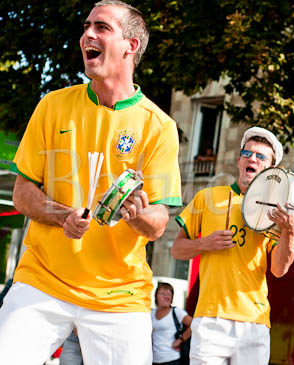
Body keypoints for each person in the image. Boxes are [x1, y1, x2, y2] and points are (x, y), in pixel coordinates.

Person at [0, 1, 182, 363]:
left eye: (101, 27)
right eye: (86, 27)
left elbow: (159, 222)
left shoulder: (159, 126)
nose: (87, 34)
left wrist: (136, 214)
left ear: (130, 46)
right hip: (42, 279)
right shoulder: (53, 105)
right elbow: (22, 193)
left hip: (119, 295)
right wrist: (60, 215)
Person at [171, 126, 294, 364]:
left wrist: (289, 233)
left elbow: (279, 270)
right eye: (247, 153)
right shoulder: (206, 197)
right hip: (210, 317)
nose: (253, 159)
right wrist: (205, 243)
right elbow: (176, 250)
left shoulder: (276, 212)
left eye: (261, 157)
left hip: (254, 321)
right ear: (239, 160)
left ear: (271, 169)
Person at [152, 282, 193, 365]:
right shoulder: (151, 313)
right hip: (154, 360)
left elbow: (194, 325)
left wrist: (181, 339)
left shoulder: (176, 312)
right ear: (156, 296)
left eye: (169, 294)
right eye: (163, 294)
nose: (166, 297)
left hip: (172, 359)